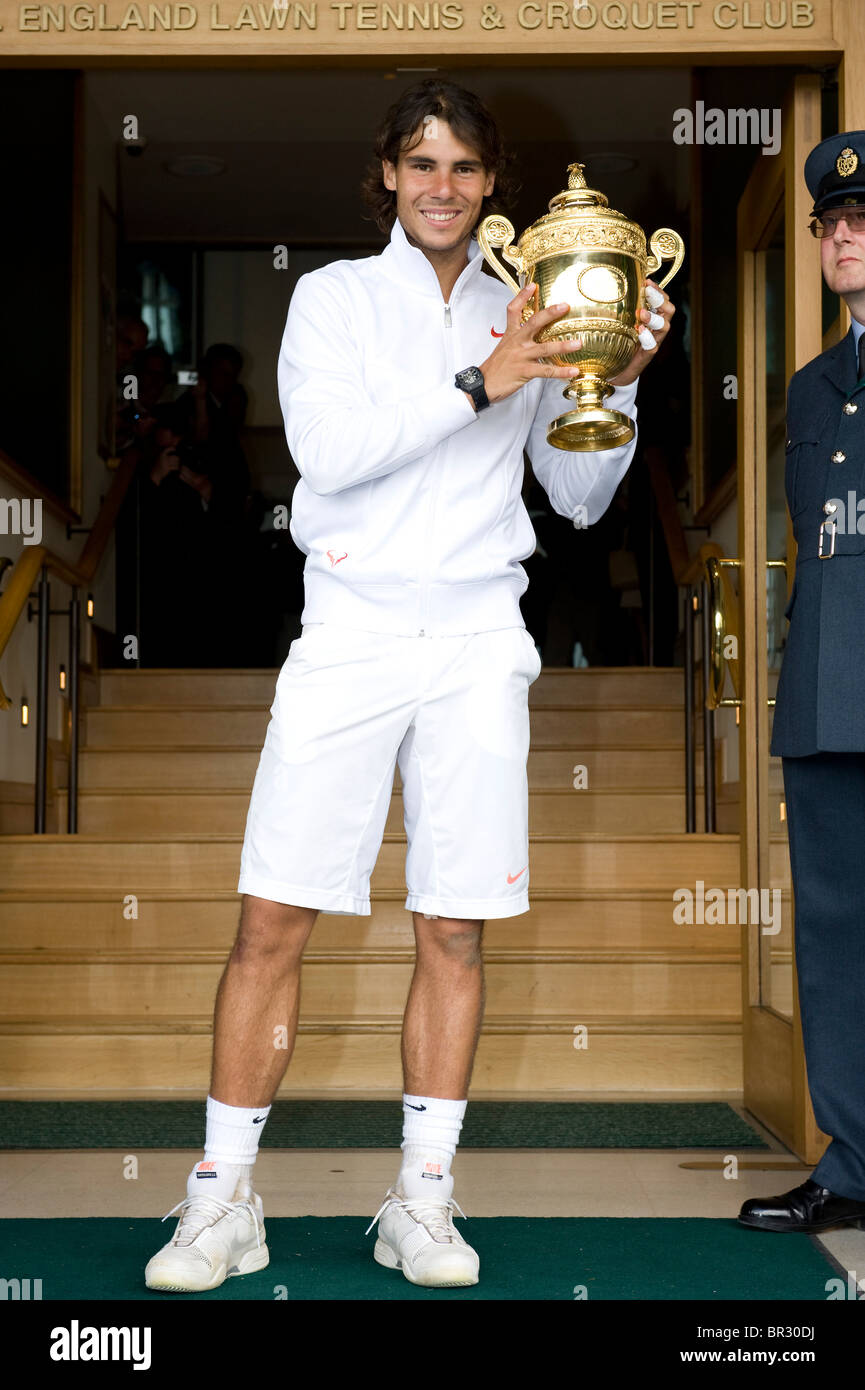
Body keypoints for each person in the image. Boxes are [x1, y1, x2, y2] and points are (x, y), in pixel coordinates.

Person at [144, 78, 674, 1294]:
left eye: (467, 167)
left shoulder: (533, 306)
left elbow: (580, 498)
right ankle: (220, 1201)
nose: (444, 187)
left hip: (481, 634)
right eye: (422, 164)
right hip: (350, 631)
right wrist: (481, 380)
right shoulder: (329, 300)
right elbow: (327, 455)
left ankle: (420, 1202)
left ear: (495, 184)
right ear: (387, 173)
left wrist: (618, 379)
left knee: (452, 924)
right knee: (272, 917)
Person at [738, 131, 865, 1236]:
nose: (844, 236)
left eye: (863, 222)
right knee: (830, 935)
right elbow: (806, 550)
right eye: (831, 224)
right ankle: (853, 1160)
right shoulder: (809, 387)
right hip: (827, 699)